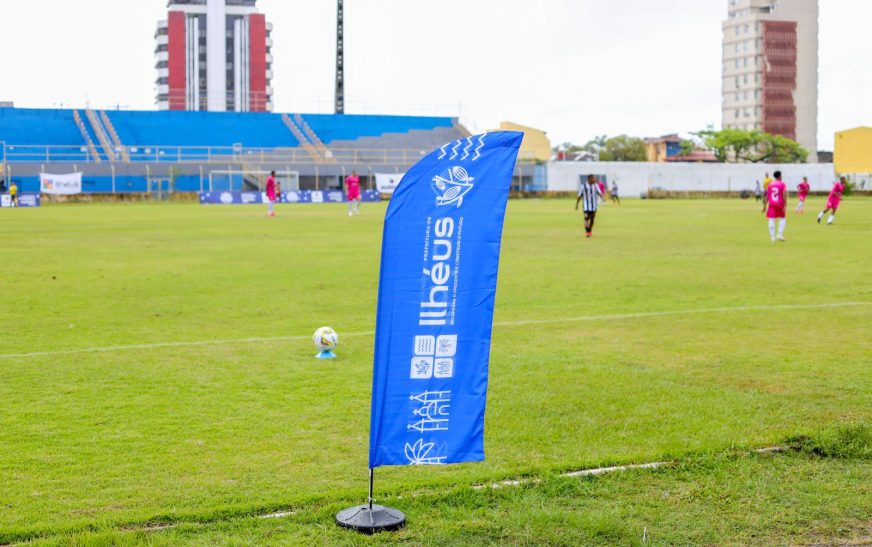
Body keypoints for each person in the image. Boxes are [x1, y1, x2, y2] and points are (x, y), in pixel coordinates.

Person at [762, 170, 787, 242]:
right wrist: (785, 204)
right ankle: (779, 235)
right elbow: (784, 194)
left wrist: (764, 206)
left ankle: (772, 237)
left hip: (772, 204)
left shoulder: (770, 184)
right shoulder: (782, 184)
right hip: (780, 203)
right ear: (779, 176)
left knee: (771, 219)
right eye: (781, 175)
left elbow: (767, 196)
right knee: (782, 218)